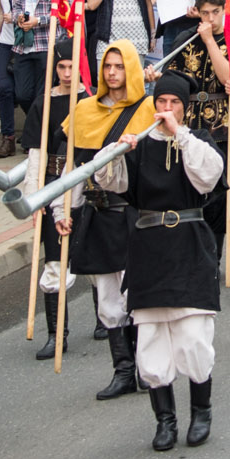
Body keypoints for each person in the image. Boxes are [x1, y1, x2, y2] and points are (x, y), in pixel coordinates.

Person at [83, 73, 225, 450]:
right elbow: (110, 182)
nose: (166, 109)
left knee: (193, 337)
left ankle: (201, 411)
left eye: (174, 103)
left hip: (190, 245)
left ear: (184, 108)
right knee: (151, 343)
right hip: (148, 249)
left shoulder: (199, 140)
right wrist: (117, 151)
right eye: (161, 102)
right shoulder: (141, 145)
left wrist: (180, 134)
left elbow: (209, 177)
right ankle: (165, 421)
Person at [59, 40, 156, 400]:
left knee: (137, 294)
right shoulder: (84, 110)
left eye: (119, 66)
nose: (113, 73)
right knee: (108, 299)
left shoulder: (147, 109)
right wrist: (63, 210)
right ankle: (123, 370)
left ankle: (146, 367)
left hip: (131, 214)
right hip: (97, 214)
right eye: (107, 67)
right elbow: (74, 169)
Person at [22, 44, 81, 359]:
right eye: (61, 67)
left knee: (93, 256)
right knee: (54, 260)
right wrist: (35, 197)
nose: (67, 73)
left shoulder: (90, 100)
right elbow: (35, 153)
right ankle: (56, 334)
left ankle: (106, 319)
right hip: (53, 183)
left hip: (85, 184)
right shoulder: (43, 102)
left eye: (72, 66)